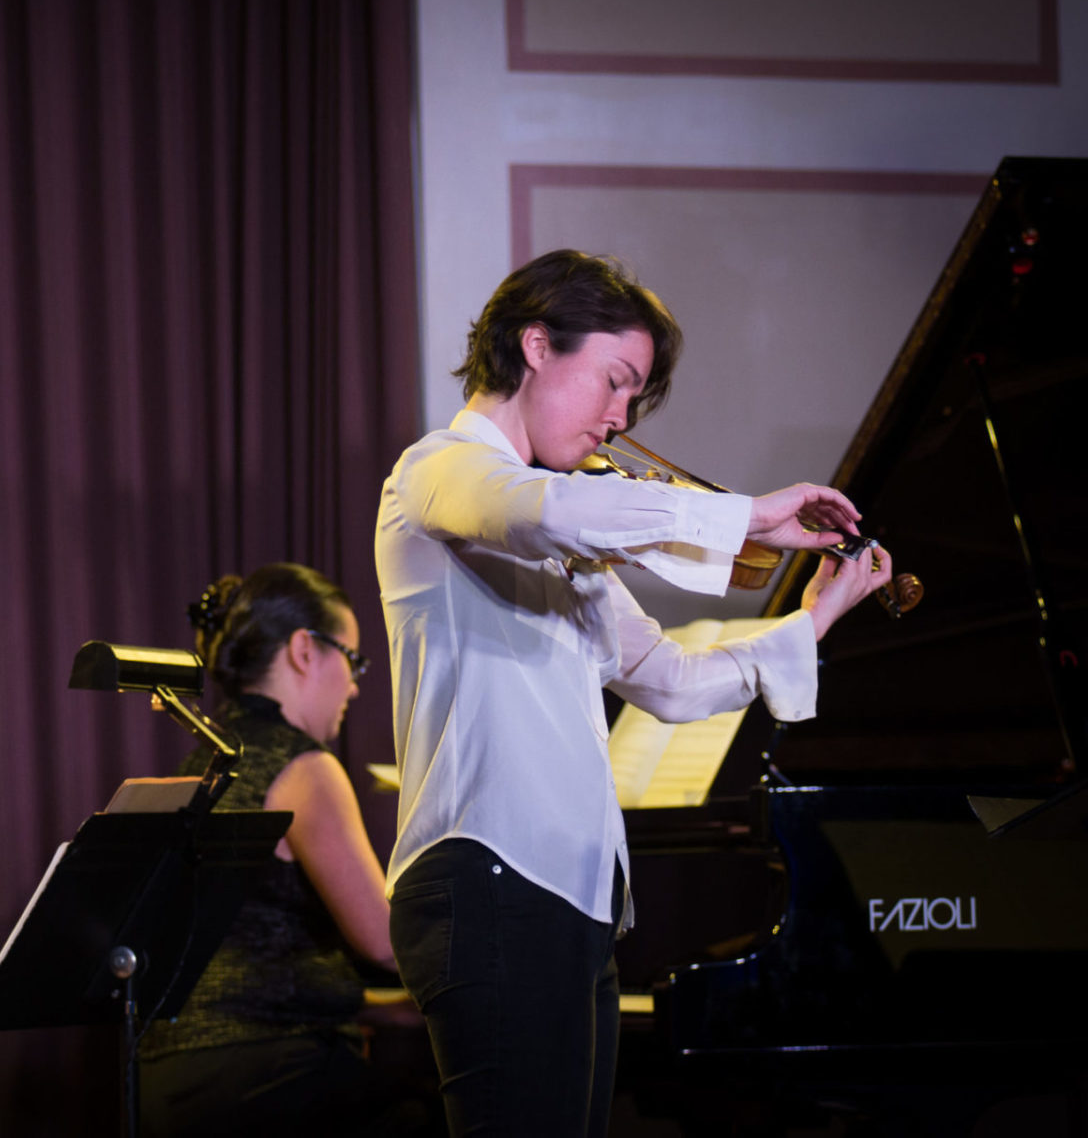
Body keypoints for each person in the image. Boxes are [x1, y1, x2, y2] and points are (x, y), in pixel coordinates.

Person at [374, 250, 896, 1136]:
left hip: (571, 897)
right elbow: (538, 510)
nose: (619, 421)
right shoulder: (440, 473)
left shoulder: (561, 531)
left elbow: (674, 682)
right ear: (536, 344)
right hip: (489, 877)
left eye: (635, 399)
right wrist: (749, 513)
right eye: (615, 383)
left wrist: (815, 620)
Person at [138, 563, 440, 1138]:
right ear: (305, 650)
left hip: (173, 1078)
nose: (354, 685)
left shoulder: (206, 760)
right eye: (352, 660)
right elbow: (388, 943)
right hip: (257, 1076)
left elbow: (251, 953)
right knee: (443, 1113)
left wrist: (373, 1006)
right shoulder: (305, 767)